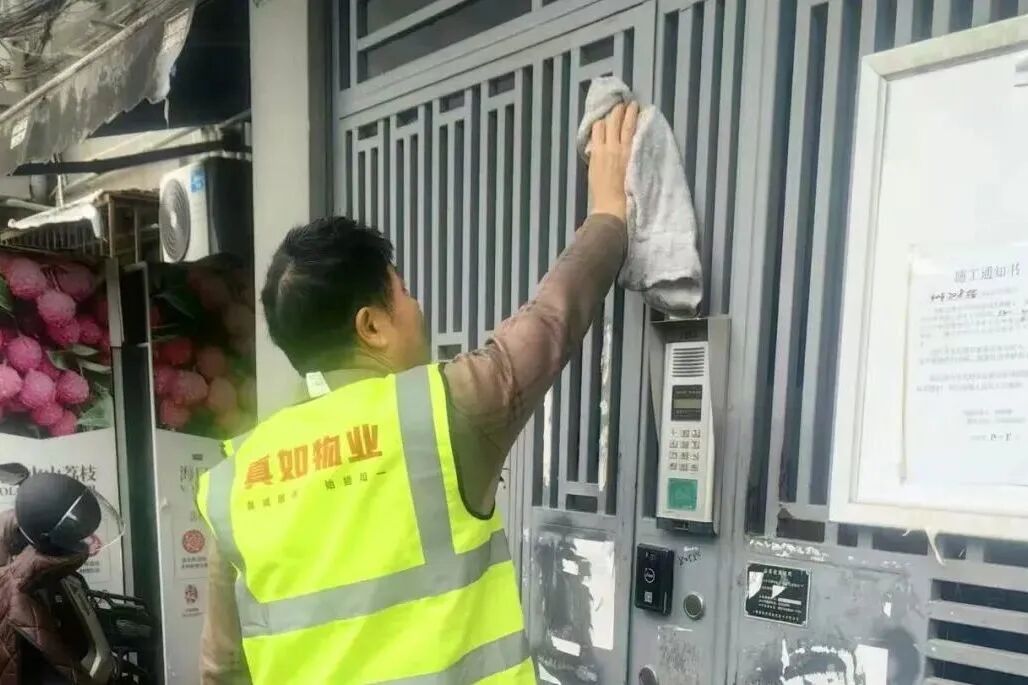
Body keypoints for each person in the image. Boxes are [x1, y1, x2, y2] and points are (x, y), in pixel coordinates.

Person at [197, 102, 639, 684]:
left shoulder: (234, 484)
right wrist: (608, 213)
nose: (418, 307)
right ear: (371, 326)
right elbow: (551, 320)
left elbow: (222, 667)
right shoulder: (444, 414)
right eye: (403, 293)